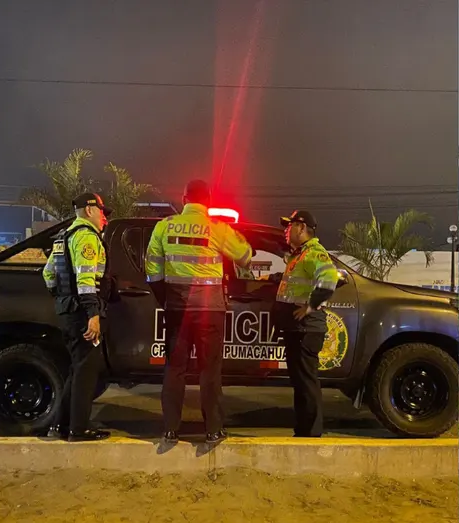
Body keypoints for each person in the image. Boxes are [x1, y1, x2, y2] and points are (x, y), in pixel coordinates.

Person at [145, 179, 253, 445]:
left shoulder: (164, 227)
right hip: (209, 311)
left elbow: (152, 270)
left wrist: (166, 299)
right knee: (209, 370)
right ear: (208, 202)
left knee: (175, 369)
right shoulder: (217, 228)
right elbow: (245, 256)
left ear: (184, 199)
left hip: (177, 310)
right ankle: (213, 430)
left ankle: (170, 429)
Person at [41, 193, 113, 441]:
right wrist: (92, 313)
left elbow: (48, 274)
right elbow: (85, 281)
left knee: (78, 369)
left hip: (68, 311)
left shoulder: (63, 237)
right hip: (83, 313)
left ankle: (60, 425)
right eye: (102, 211)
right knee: (86, 371)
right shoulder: (86, 237)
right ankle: (79, 429)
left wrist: (62, 297)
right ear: (90, 209)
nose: (104, 216)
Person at [272, 210, 340, 437]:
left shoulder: (314, 253)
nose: (286, 231)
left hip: (307, 327)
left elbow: (329, 279)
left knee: (307, 382)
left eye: (289, 226)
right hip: (297, 328)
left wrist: (310, 306)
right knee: (300, 382)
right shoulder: (299, 255)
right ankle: (303, 431)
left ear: (302, 228)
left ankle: (311, 434)